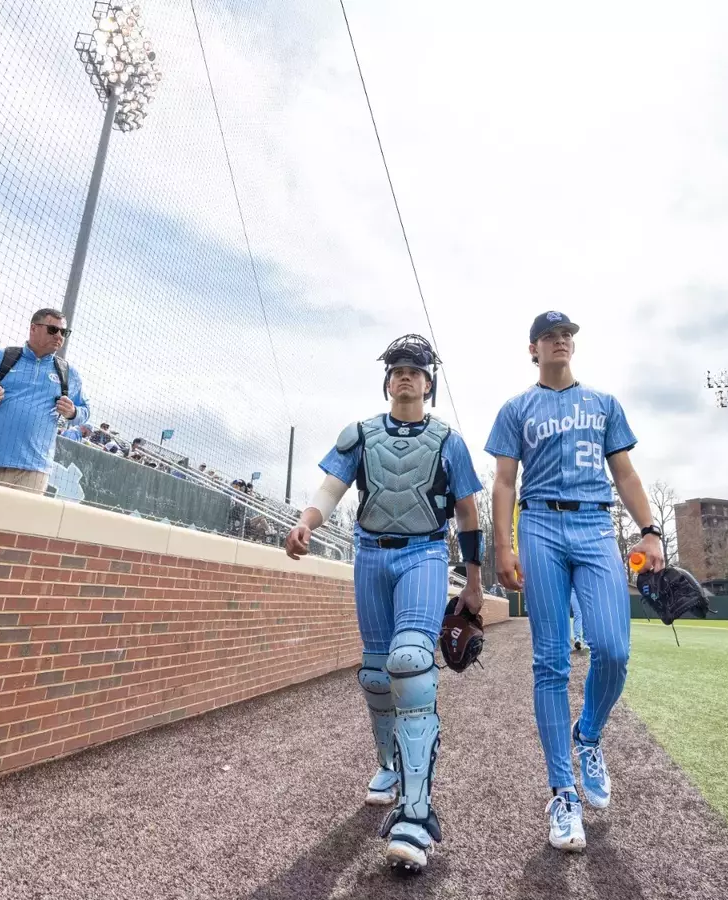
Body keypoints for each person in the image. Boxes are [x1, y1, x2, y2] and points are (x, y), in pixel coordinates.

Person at [285, 334, 484, 872]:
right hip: (370, 555)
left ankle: (415, 816)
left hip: (422, 553)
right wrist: (307, 521)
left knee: (410, 662)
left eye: (415, 371)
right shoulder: (361, 434)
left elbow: (467, 515)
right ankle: (390, 763)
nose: (405, 376)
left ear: (428, 383)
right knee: (376, 675)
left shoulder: (450, 442)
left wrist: (472, 580)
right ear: (387, 379)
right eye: (397, 369)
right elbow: (331, 489)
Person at [485, 311, 665, 853]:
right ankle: (562, 792)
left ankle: (588, 734)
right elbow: (503, 481)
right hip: (538, 522)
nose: (560, 340)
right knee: (551, 661)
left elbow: (626, 473)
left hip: (593, 521)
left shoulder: (604, 403)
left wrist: (651, 530)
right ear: (532, 349)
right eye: (549, 335)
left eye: (567, 335)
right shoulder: (516, 408)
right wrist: (502, 544)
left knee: (612, 649)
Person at [0, 308, 88, 494]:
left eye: (64, 332)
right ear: (33, 328)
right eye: (53, 330)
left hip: (33, 473)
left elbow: (84, 411)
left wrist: (73, 412)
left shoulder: (69, 374)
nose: (59, 335)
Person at [570, 588, 586, 655]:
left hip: (584, 589)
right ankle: (577, 639)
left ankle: (585, 640)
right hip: (572, 590)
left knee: (584, 614)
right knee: (578, 614)